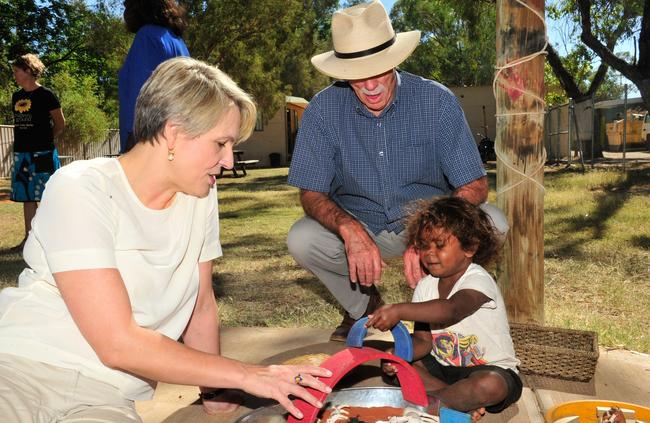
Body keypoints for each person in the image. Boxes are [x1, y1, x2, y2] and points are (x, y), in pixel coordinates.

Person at [0, 57, 331, 422]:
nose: (226, 160)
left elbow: (201, 303)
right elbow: (116, 343)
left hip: (107, 395)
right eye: (220, 143)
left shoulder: (200, 196)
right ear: (173, 133)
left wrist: (216, 390)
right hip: (22, 366)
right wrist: (247, 375)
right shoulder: (82, 186)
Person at [286, 0, 506, 342]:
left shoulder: (437, 101)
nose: (370, 86)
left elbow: (475, 185)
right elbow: (311, 192)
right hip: (361, 223)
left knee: (496, 222)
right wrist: (350, 230)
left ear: (395, 62)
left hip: (429, 220)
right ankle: (363, 306)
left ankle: (447, 307)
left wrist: (428, 234)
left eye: (379, 71)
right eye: (358, 77)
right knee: (302, 238)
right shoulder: (322, 111)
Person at [366, 197, 522, 418]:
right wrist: (398, 354)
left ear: (470, 247)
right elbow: (423, 341)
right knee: (400, 365)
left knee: (488, 386)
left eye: (439, 246)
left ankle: (432, 406)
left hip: (489, 370)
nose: (429, 253)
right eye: (423, 246)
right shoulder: (425, 286)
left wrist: (399, 310)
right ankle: (454, 402)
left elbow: (451, 309)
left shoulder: (478, 279)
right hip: (443, 370)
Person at [10, 53, 65, 251]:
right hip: (22, 153)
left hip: (43, 154)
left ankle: (53, 239)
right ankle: (29, 240)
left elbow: (60, 123)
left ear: (28, 71)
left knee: (47, 195)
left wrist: (46, 139)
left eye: (17, 71)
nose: (14, 75)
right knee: (27, 196)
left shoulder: (46, 95)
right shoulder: (17, 96)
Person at [119, 0, 190, 153]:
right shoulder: (178, 42)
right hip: (176, 139)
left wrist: (132, 147)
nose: (125, 6)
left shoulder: (147, 36)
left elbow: (141, 96)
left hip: (149, 143)